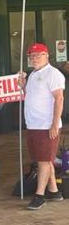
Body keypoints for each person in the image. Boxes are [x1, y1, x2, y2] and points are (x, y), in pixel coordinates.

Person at [19, 43, 65, 210]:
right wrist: (23, 85)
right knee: (43, 159)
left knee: (44, 161)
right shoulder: (33, 75)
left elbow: (59, 99)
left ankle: (39, 196)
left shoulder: (53, 74)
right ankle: (54, 191)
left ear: (47, 56)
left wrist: (54, 123)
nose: (35, 58)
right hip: (33, 124)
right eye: (32, 56)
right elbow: (31, 95)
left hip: (46, 125)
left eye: (39, 55)